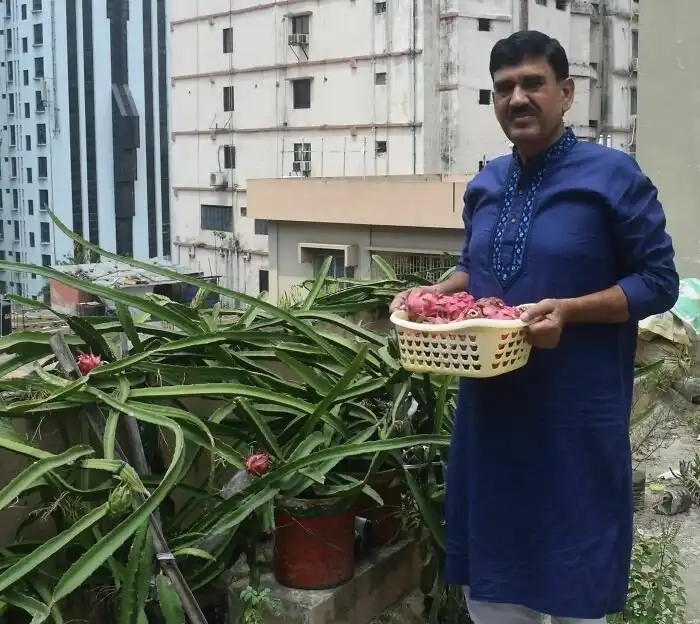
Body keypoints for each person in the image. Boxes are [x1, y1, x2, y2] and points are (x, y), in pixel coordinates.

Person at [390, 31, 679, 624]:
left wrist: (571, 310)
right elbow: (477, 267)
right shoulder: (486, 184)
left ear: (566, 92)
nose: (517, 98)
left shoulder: (613, 176)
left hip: (576, 421)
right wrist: (441, 291)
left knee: (577, 590)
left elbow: (659, 281)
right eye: (503, 88)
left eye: (532, 84)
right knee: (493, 594)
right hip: (493, 421)